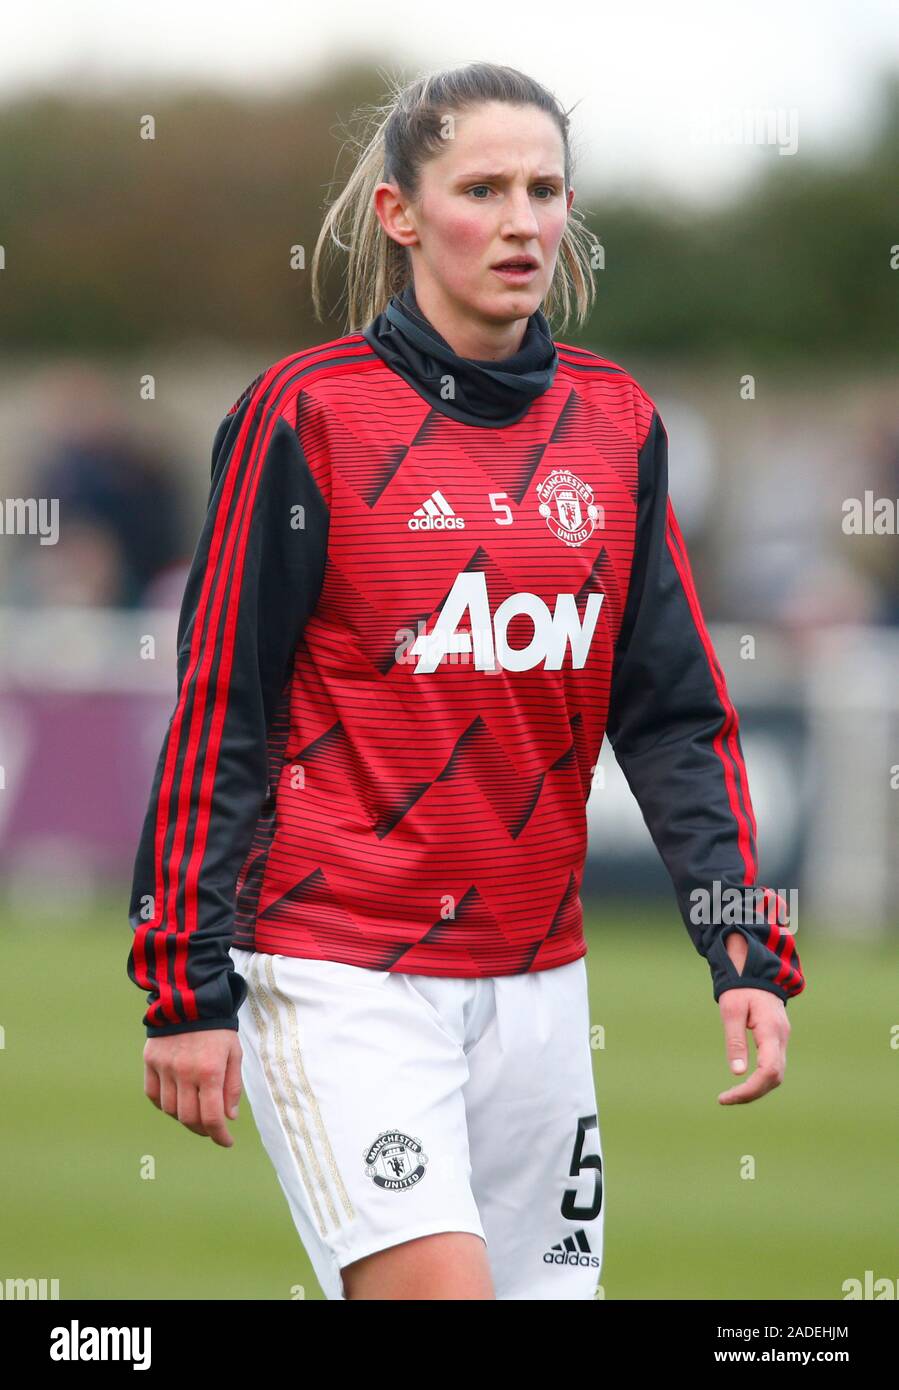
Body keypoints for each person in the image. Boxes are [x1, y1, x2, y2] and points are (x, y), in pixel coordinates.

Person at [126, 62, 805, 1301]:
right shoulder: (305, 415)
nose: (521, 221)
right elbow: (220, 709)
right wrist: (184, 979)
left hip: (540, 985)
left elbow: (671, 716)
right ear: (399, 214)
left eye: (544, 190)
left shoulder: (617, 425)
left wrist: (739, 946)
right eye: (481, 188)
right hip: (338, 968)